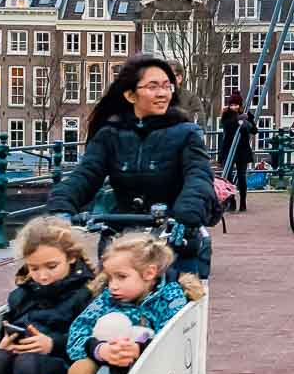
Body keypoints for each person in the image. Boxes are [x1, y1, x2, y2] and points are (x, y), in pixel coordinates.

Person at [47, 56, 216, 278]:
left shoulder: (187, 133)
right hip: (123, 238)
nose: (163, 93)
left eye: (167, 86)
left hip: (171, 237)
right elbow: (86, 174)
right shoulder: (110, 134)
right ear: (130, 94)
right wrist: (62, 207)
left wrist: (185, 215)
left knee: (177, 300)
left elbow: (199, 177)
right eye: (153, 87)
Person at [64, 230, 208, 374]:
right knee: (79, 371)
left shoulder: (170, 297)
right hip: (107, 362)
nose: (113, 285)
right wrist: (100, 350)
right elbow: (77, 331)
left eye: (121, 277)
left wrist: (140, 349)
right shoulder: (107, 298)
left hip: (153, 368)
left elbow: (172, 339)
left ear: (149, 273)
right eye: (109, 278)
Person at [0, 216, 97, 374]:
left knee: (29, 364)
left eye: (51, 266)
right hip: (21, 364)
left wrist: (52, 344)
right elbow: (10, 326)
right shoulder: (21, 295)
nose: (42, 276)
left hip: (63, 366)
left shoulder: (87, 293)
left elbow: (90, 338)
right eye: (34, 269)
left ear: (71, 257)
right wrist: (5, 343)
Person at [216, 92, 251, 213]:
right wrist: (238, 119)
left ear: (240, 105)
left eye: (236, 105)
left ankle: (243, 202)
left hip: (242, 150)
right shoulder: (227, 115)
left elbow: (255, 130)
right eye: (232, 105)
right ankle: (232, 201)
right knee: (228, 178)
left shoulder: (246, 114)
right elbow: (227, 126)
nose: (234, 107)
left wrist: (247, 124)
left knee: (242, 177)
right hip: (229, 149)